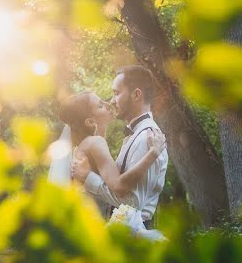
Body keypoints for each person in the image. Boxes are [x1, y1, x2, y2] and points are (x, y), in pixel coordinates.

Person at [71, 65, 169, 230]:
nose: (111, 100)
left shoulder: (147, 138)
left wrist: (89, 179)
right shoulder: (135, 134)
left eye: (116, 93)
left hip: (136, 235)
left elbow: (132, 204)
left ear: (136, 95)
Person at [51, 91, 166, 220]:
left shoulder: (83, 145)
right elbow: (119, 186)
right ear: (89, 122)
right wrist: (153, 154)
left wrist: (101, 127)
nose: (108, 104)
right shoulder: (95, 143)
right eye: (100, 105)